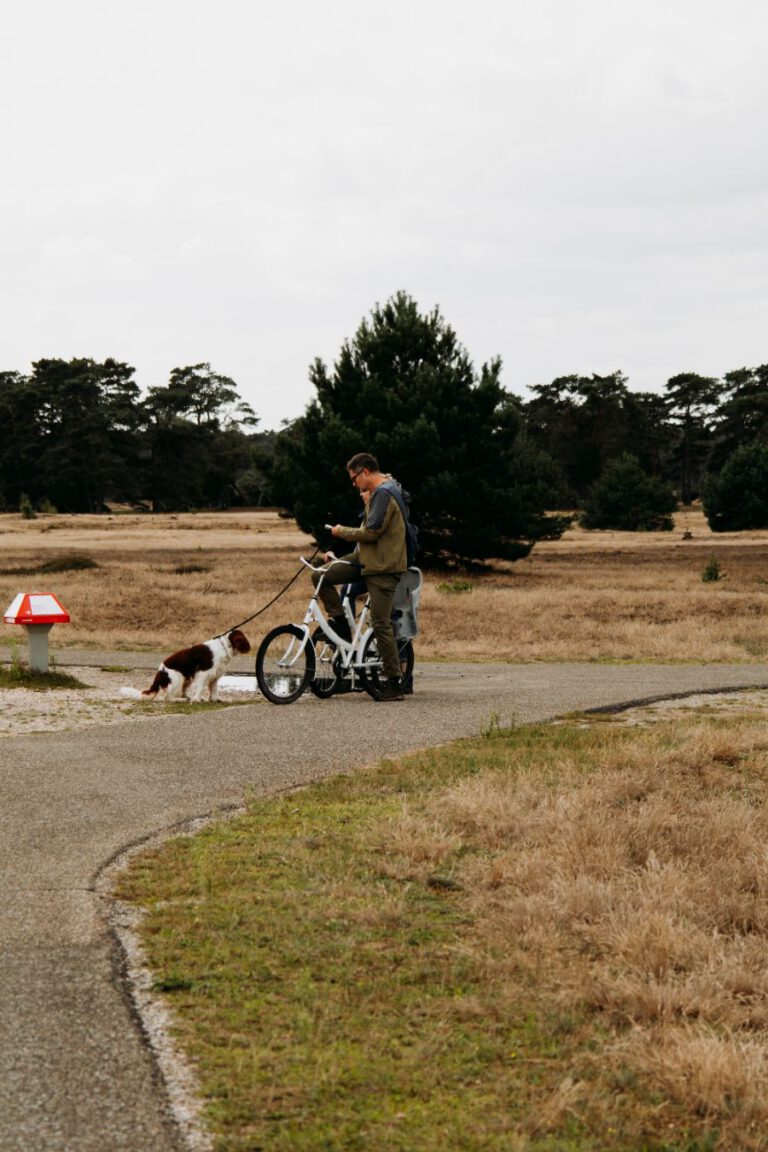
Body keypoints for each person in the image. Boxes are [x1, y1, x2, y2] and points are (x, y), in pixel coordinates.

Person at [313, 452, 407, 702]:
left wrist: (340, 531)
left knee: (380, 623)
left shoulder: (385, 493)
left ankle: (395, 681)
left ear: (365, 472)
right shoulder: (379, 493)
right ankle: (340, 622)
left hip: (383, 568)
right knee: (320, 575)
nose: (353, 484)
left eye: (354, 478)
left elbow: (372, 532)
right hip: (366, 560)